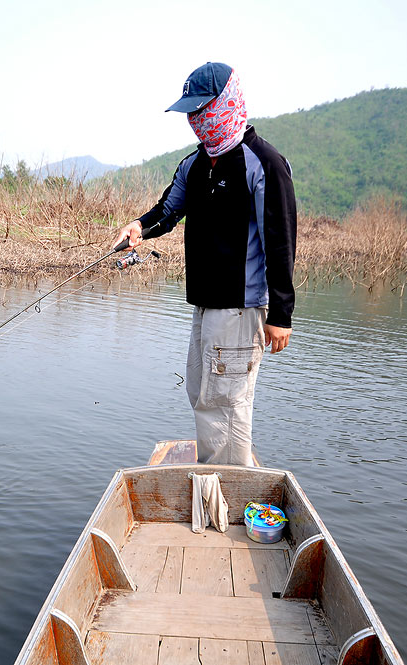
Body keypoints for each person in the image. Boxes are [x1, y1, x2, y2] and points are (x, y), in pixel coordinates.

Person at [112, 62, 297, 466]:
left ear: (226, 102)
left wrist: (281, 312)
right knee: (200, 389)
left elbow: (280, 241)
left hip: (240, 305)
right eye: (192, 113)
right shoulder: (196, 164)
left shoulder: (262, 163)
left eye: (203, 110)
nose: (197, 120)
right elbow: (167, 209)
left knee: (226, 401)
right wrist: (139, 227)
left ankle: (228, 495)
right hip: (205, 303)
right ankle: (221, 475)